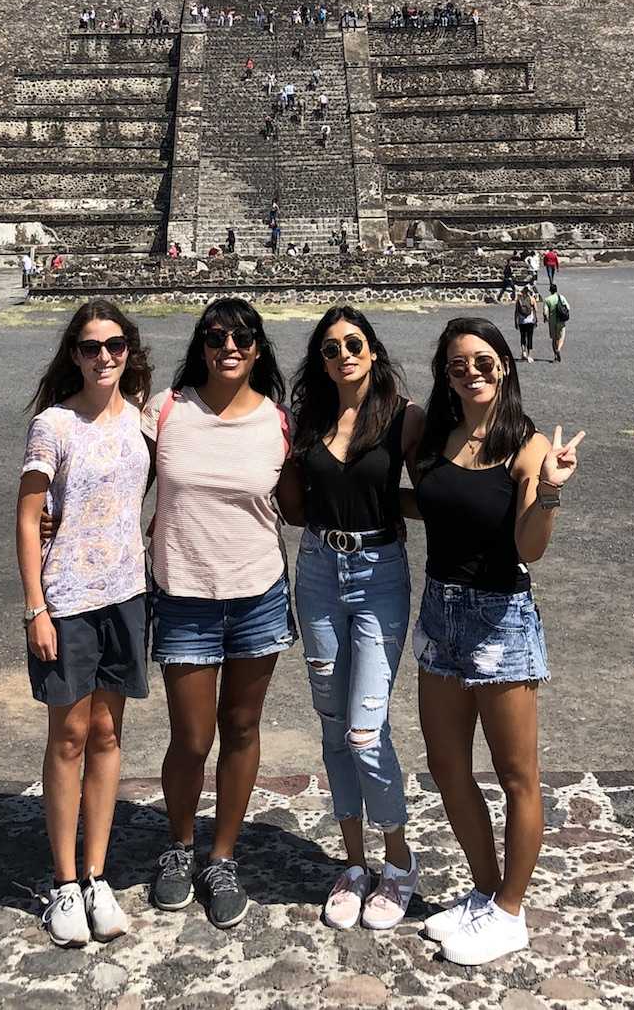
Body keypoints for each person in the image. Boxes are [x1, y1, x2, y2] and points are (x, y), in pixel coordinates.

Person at [405, 318, 583, 966]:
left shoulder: (527, 447)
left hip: (500, 618)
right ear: (445, 373)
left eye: (483, 361)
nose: (470, 372)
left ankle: (511, 910)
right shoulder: (433, 438)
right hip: (440, 616)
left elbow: (527, 544)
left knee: (516, 776)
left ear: (504, 366)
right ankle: (484, 892)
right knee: (447, 766)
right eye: (458, 364)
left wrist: (551, 493)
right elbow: (434, 502)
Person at [133, 299, 294, 931]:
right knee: (192, 737)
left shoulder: (279, 421)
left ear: (258, 348)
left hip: (257, 592)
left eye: (242, 337)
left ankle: (222, 855)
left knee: (243, 729)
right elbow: (123, 480)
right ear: (201, 345)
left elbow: (311, 494)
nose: (229, 346)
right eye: (216, 336)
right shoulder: (167, 412)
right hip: (184, 594)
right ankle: (179, 846)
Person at [282, 307, 424, 931]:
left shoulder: (402, 416)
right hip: (316, 569)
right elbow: (289, 503)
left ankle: (399, 862)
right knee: (334, 725)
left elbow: (440, 484)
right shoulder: (306, 421)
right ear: (321, 357)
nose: (344, 354)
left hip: (378, 572)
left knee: (366, 731)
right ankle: (355, 864)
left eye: (354, 343)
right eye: (331, 346)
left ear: (372, 350)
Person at [20, 301, 153, 948]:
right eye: (92, 346)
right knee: (68, 735)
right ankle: (65, 883)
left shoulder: (147, 420)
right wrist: (35, 607)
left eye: (116, 345)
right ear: (74, 353)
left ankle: (98, 875)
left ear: (130, 351)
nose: (105, 356)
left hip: (127, 593)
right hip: (67, 599)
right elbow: (26, 517)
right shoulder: (54, 425)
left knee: (107, 733)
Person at [542, 283, 569, 362]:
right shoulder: (561, 297)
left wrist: (545, 318)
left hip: (552, 322)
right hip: (561, 320)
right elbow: (568, 307)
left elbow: (545, 312)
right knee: (561, 337)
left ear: (550, 290)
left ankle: (555, 356)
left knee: (554, 339)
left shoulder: (547, 299)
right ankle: (559, 349)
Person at [513, 288, 538, 361]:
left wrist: (515, 321)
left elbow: (516, 312)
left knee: (522, 336)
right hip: (530, 321)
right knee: (530, 337)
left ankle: (523, 352)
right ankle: (529, 355)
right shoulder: (532, 299)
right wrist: (536, 320)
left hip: (521, 321)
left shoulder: (519, 300)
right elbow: (536, 310)